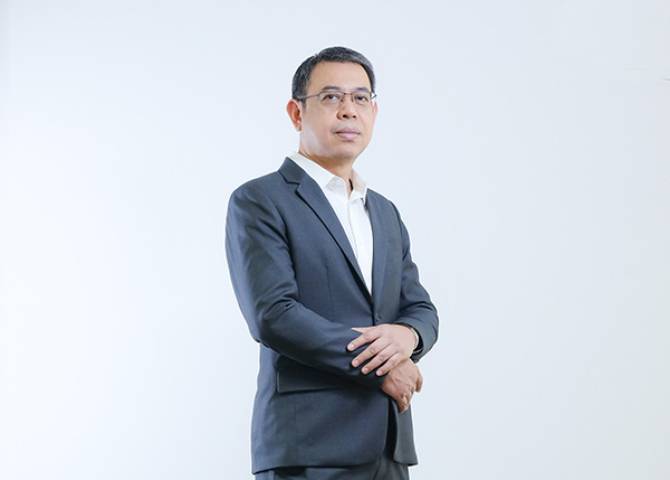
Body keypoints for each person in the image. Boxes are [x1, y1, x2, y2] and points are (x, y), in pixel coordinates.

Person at [225, 46, 439, 480]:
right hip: (309, 447)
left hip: (389, 446)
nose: (348, 110)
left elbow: (419, 307)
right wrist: (383, 367)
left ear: (374, 112)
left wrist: (409, 335)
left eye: (360, 98)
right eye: (331, 97)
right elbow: (273, 315)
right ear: (296, 113)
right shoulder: (260, 200)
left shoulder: (384, 212)